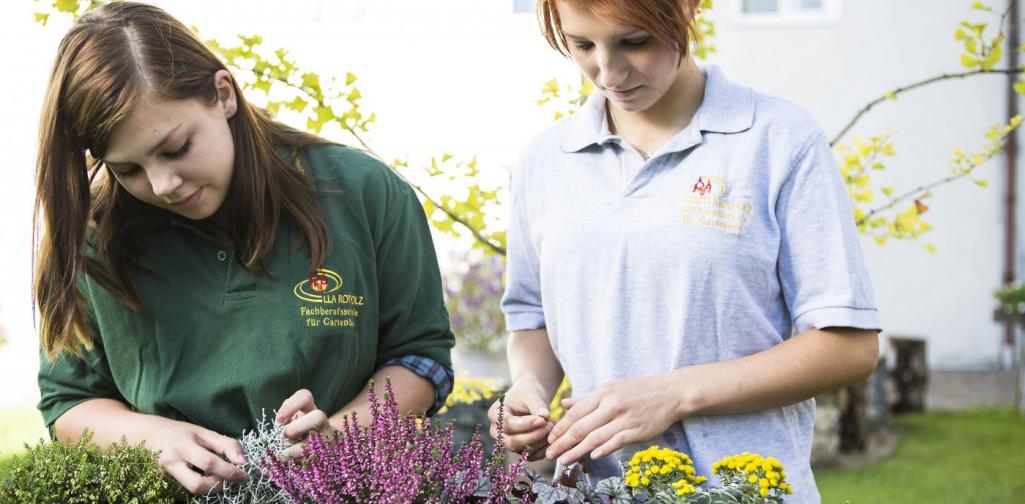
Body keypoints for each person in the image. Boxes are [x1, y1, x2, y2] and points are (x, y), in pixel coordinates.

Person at [33, 2, 454, 495]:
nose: (163, 183)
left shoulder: (364, 192)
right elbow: (70, 401)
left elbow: (421, 359)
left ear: (223, 94)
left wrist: (339, 439)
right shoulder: (96, 236)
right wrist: (153, 437)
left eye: (177, 148)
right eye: (128, 170)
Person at [489, 1, 881, 502]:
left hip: (746, 490)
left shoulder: (778, 140)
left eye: (635, 41)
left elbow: (849, 347)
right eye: (582, 44)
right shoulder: (546, 160)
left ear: (686, 11)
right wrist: (528, 391)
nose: (607, 72)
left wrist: (674, 394)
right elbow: (532, 317)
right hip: (593, 491)